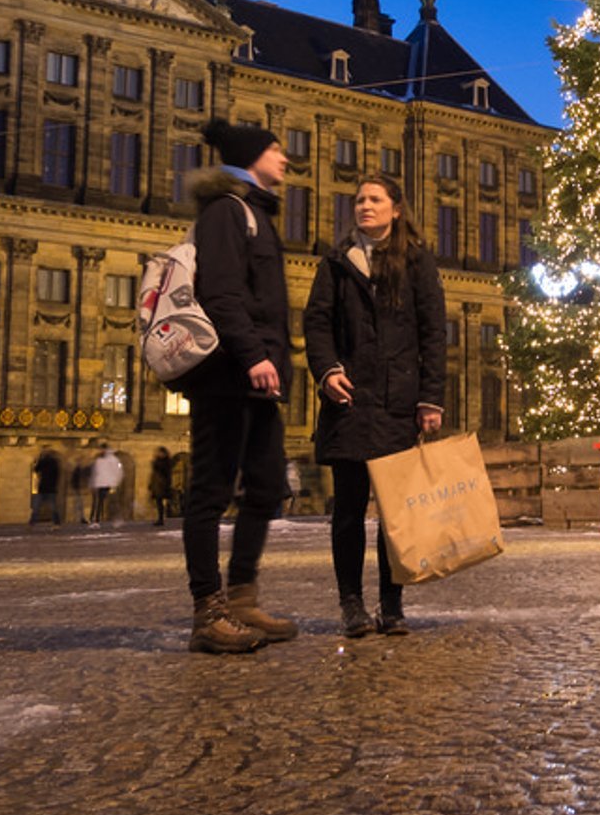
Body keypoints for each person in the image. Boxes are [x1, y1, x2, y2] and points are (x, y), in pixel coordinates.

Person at [302, 173, 446, 638]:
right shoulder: (336, 262)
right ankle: (351, 605)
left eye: (375, 199)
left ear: (396, 209)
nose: (365, 205)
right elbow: (317, 322)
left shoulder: (418, 262)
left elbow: (433, 333)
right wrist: (326, 371)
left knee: (394, 513)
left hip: (397, 402)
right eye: (360, 199)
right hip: (348, 400)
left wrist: (430, 398)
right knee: (347, 509)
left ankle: (391, 605)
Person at [179, 118, 299, 654]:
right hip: (228, 376)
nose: (286, 158)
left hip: (256, 378)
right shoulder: (228, 212)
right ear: (252, 157)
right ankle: (208, 612)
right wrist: (253, 356)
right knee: (209, 493)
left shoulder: (253, 211)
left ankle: (244, 597)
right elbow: (225, 296)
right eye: (276, 149)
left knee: (268, 486)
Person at [90, 446, 123, 523]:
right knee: (100, 501)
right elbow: (95, 472)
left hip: (109, 483)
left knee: (113, 501)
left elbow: (118, 471)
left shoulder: (112, 460)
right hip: (102, 483)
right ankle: (97, 519)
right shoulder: (99, 460)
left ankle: (116, 518)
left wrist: (116, 481)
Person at [30, 448, 62, 526]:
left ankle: (31, 524)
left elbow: (36, 469)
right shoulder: (55, 462)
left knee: (36, 507)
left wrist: (39, 460)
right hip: (51, 489)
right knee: (53, 508)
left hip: (43, 488)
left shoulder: (43, 461)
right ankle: (57, 524)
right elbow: (57, 475)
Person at [148, 446, 174, 527]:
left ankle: (161, 519)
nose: (159, 454)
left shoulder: (165, 463)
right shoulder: (158, 461)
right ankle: (160, 518)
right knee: (158, 502)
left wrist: (167, 484)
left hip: (162, 484)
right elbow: (153, 474)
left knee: (160, 502)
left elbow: (166, 474)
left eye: (160, 452)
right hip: (157, 484)